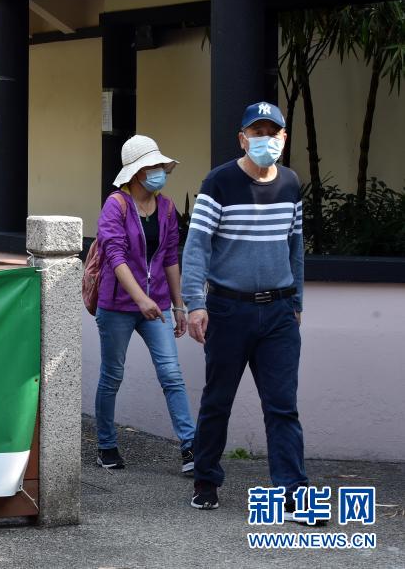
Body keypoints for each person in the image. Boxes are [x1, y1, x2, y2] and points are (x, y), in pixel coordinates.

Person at [182, 102, 309, 520]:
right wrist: (195, 304)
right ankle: (205, 480)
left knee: (282, 405)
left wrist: (297, 302)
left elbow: (295, 246)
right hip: (228, 310)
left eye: (273, 133)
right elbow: (197, 247)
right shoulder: (218, 183)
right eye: (257, 133)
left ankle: (293, 493)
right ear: (242, 138)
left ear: (284, 138)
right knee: (218, 400)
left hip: (279, 313)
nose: (265, 140)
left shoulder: (290, 183)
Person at [95, 135, 195, 474]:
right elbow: (115, 256)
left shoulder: (166, 207)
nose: (159, 172)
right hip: (118, 305)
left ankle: (190, 447)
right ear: (137, 172)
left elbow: (170, 258)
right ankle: (106, 445)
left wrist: (178, 305)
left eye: (160, 166)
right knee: (112, 376)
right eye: (153, 166)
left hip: (159, 304)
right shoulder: (116, 205)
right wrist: (140, 298)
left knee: (171, 374)